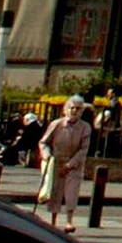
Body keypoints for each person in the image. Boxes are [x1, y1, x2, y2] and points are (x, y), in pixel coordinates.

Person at [37, 96, 94, 231]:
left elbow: (83, 149)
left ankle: (69, 221)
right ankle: (53, 221)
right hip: (56, 161)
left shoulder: (85, 127)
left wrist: (70, 164)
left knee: (71, 192)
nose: (74, 111)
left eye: (78, 108)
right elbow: (43, 142)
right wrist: (47, 156)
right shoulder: (56, 124)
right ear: (65, 109)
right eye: (71, 107)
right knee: (55, 191)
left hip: (74, 164)